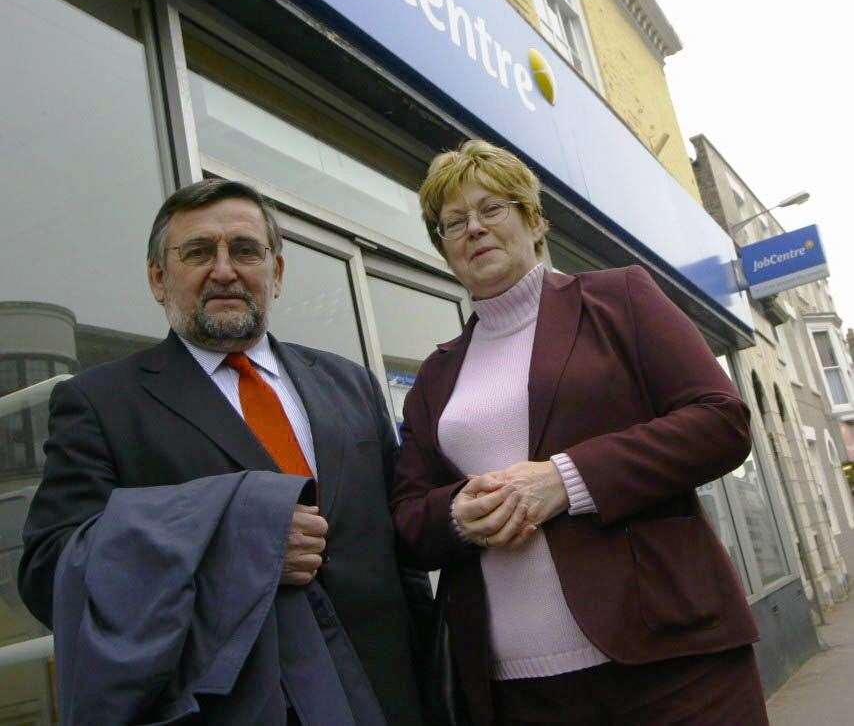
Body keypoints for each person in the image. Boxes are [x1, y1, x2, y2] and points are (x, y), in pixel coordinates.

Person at [19, 178, 425, 725]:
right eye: (198, 252)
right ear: (158, 278)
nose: (225, 269)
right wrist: (240, 551)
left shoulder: (349, 384)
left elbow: (402, 560)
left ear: (276, 273)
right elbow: (52, 573)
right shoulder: (100, 404)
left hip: (386, 696)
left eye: (245, 250)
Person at [391, 140, 769, 726]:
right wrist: (456, 518)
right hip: (515, 691)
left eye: (491, 209)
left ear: (533, 220)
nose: (473, 229)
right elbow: (409, 516)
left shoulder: (618, 298)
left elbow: (721, 420)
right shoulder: (438, 373)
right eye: (453, 222)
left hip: (668, 664)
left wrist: (567, 480)